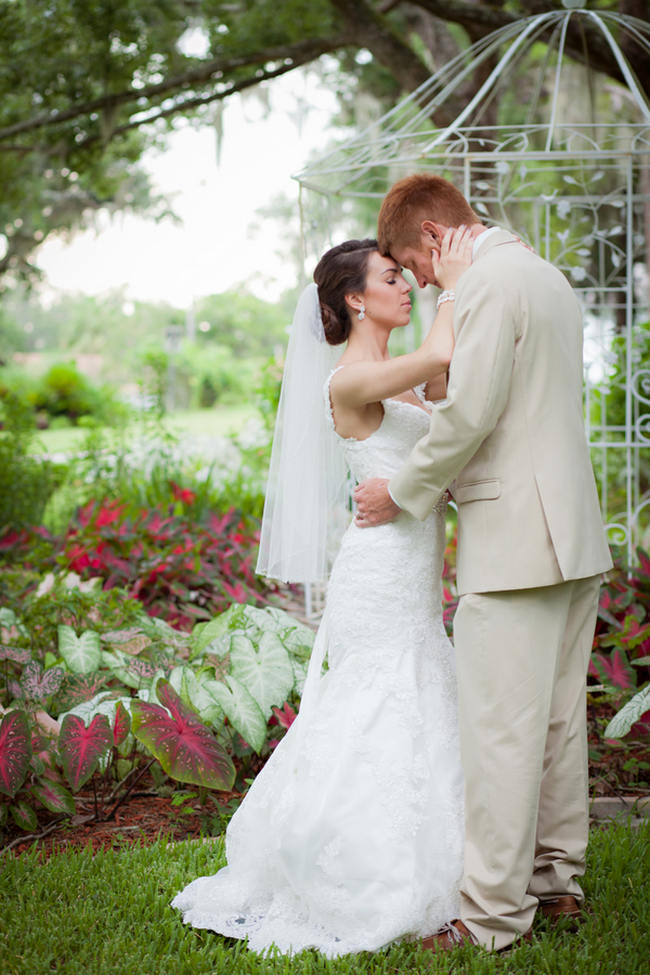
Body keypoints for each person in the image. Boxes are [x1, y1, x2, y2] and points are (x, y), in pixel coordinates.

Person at [171, 230, 473, 956]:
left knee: (420, 692)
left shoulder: (394, 375)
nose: (408, 286)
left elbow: (439, 407)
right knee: (375, 703)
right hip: (378, 573)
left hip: (411, 566)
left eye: (410, 277)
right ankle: (350, 863)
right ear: (353, 298)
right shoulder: (347, 379)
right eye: (392, 278)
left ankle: (452, 851)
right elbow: (441, 354)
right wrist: (458, 281)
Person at [354, 173, 613, 953]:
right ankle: (555, 883)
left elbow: (469, 412)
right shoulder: (545, 274)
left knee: (501, 732)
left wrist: (403, 491)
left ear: (432, 236)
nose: (421, 280)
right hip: (573, 534)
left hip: (514, 541)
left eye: (415, 264)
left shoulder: (490, 284)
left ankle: (491, 918)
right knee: (560, 725)